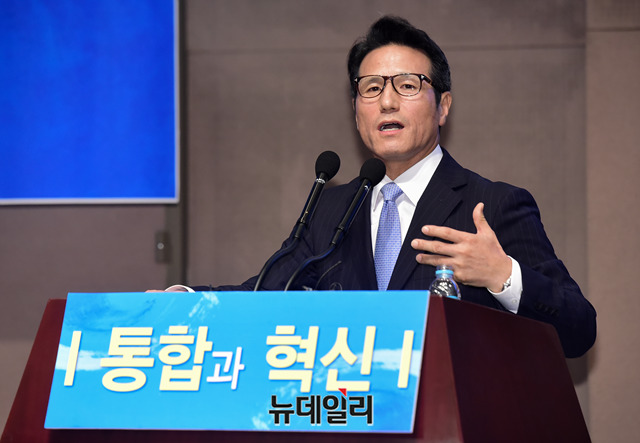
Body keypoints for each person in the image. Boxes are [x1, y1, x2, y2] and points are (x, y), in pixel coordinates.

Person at [163, 16, 596, 358]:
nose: (387, 101)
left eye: (407, 86)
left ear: (443, 106)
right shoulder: (332, 208)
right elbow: (265, 293)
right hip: (355, 415)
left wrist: (503, 275)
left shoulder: (493, 204)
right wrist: (184, 300)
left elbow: (578, 329)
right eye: (371, 88)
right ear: (356, 113)